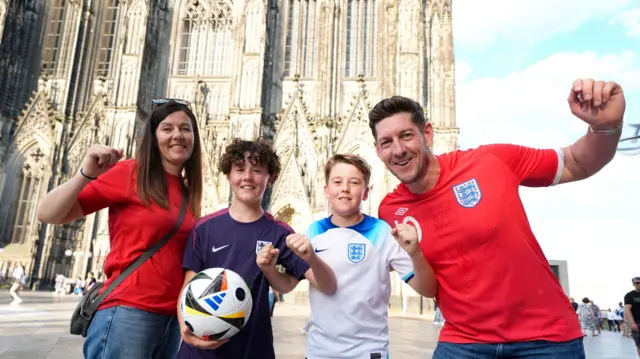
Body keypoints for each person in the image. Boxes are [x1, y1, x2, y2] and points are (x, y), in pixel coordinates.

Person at [370, 78, 626, 358]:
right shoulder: (390, 210)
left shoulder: (489, 161)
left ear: (427, 134)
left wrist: (605, 127)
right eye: (387, 142)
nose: (398, 150)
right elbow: (429, 286)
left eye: (406, 136)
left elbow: (578, 162)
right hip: (463, 343)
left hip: (545, 341)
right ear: (378, 151)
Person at [36, 99, 204, 359]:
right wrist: (85, 173)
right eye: (167, 128)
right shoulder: (130, 173)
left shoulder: (188, 192)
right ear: (153, 136)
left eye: (185, 129)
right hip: (128, 312)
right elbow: (47, 213)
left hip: (170, 321)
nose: (177, 135)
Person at [177, 138, 337, 359]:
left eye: (257, 170)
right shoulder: (204, 228)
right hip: (198, 353)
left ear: (269, 178)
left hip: (251, 350)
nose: (247, 177)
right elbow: (188, 288)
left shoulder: (279, 232)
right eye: (239, 169)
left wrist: (309, 257)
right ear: (228, 175)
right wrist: (187, 333)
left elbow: (321, 284)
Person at [297, 154, 435, 359]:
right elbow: (288, 281)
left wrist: (415, 253)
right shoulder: (313, 232)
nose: (345, 188)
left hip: (368, 353)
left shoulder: (382, 232)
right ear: (326, 190)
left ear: (365, 193)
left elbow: (427, 289)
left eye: (354, 182)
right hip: (319, 352)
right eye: (337, 182)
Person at [624, 277, 640, 357]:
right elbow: (627, 309)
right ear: (633, 284)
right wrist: (632, 323)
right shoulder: (630, 295)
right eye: (637, 283)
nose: (639, 284)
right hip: (638, 323)